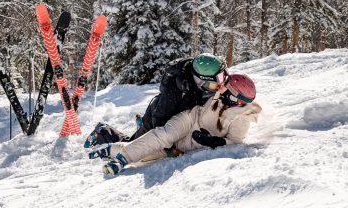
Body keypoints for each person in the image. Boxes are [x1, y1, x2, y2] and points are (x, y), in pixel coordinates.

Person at [87, 73, 261, 175]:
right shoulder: (222, 94)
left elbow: (236, 142)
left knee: (151, 153)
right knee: (163, 135)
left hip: (188, 143)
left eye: (226, 89)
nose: (221, 88)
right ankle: (121, 160)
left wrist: (213, 141)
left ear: (235, 98)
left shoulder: (242, 118)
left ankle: (111, 149)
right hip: (189, 119)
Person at [84, 53, 228, 146]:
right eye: (219, 79)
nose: (222, 82)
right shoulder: (175, 91)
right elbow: (159, 122)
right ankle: (103, 132)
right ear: (201, 80)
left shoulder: (202, 86)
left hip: (172, 117)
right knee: (131, 146)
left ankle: (140, 125)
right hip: (155, 118)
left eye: (223, 75)